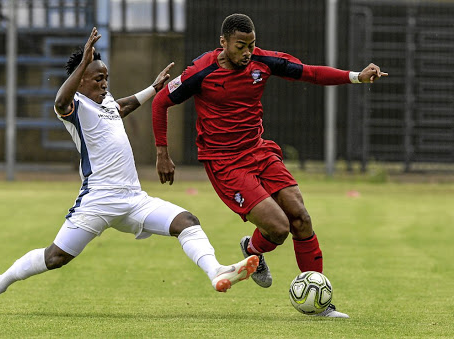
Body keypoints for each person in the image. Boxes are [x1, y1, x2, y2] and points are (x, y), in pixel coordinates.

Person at [0, 27, 259, 315]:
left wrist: (153, 89)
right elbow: (59, 101)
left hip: (133, 199)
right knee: (55, 257)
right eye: (98, 78)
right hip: (98, 200)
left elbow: (122, 106)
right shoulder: (74, 106)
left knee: (186, 221)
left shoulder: (105, 102)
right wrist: (84, 61)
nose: (105, 83)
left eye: (106, 77)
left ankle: (216, 271)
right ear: (81, 80)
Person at [151, 13, 388, 318]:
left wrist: (356, 76)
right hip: (225, 164)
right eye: (240, 46)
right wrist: (162, 153)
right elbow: (161, 102)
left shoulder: (263, 62)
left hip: (259, 151)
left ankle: (319, 307)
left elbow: (311, 73)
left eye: (251, 44)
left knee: (300, 218)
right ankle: (254, 250)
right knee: (279, 228)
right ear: (223, 43)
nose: (247, 52)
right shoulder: (201, 70)